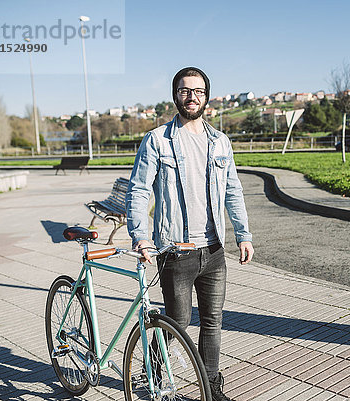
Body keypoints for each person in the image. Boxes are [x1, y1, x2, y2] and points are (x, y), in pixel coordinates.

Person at [126, 66, 253, 401]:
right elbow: (138, 191)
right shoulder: (157, 141)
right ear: (175, 95)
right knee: (176, 323)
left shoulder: (220, 142)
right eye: (185, 90)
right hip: (174, 250)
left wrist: (244, 234)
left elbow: (233, 191)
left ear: (207, 97)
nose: (191, 97)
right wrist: (140, 236)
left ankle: (212, 390)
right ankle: (152, 374)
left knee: (213, 323)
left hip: (213, 250)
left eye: (198, 91)